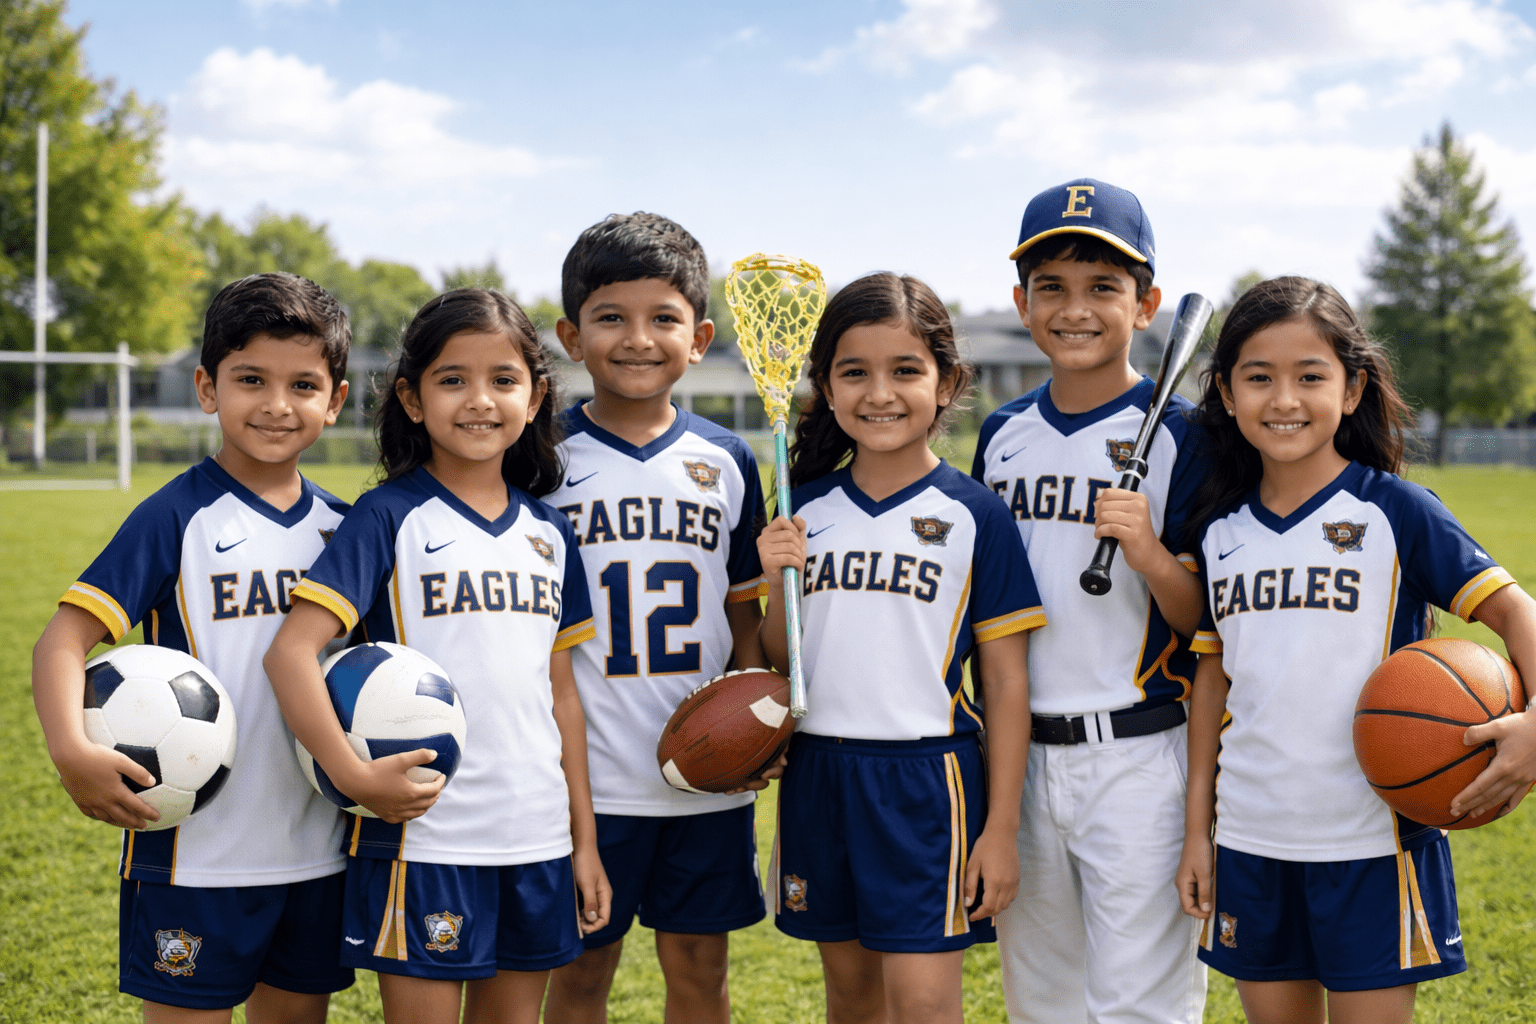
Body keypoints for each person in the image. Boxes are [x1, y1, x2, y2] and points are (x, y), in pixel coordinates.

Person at [1175, 276, 1536, 1024]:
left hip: (1372, 842)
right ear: (1227, 394)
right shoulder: (1218, 531)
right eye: (1259, 378)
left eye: (1310, 376)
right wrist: (1196, 834)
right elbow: (1214, 680)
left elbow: (1515, 612)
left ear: (1352, 390)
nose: (1284, 399)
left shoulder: (1394, 510)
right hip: (1249, 839)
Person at [262, 289, 611, 1024]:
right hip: (423, 840)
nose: (479, 399)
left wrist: (584, 842)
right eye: (453, 379)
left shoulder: (551, 534)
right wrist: (352, 774)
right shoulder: (387, 517)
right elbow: (290, 654)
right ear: (413, 400)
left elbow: (562, 696)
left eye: (503, 379)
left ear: (534, 398)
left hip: (536, 838)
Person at [32, 272, 355, 1023]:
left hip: (318, 848)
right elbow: (62, 641)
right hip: (191, 851)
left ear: (335, 400)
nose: (277, 405)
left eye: (303, 385)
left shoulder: (347, 530)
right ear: (208, 388)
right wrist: (71, 751)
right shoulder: (176, 516)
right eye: (251, 379)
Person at [757, 272, 1040, 1024]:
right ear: (826, 387)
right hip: (820, 773)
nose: (879, 393)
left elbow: (1006, 684)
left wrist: (1001, 830)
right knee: (851, 998)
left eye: (905, 370)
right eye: (855, 372)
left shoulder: (976, 514)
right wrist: (776, 582)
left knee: (922, 1004)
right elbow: (783, 659)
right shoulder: (802, 507)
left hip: (927, 780)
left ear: (945, 383)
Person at [971, 178, 1209, 1024]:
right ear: (1022, 304)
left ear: (1145, 305)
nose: (1075, 309)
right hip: (1019, 756)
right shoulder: (1002, 433)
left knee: (1140, 1007)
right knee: (1042, 1004)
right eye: (1052, 287)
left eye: (1103, 287)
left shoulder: (1184, 433)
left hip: (1138, 755)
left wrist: (1148, 555)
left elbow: (1208, 623)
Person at [542, 213, 768, 1024]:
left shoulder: (727, 460)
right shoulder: (540, 458)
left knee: (702, 971)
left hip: (707, 770)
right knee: (579, 973)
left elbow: (744, 620)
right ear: (572, 336)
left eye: (663, 318)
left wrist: (760, 721)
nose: (638, 339)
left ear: (699, 338)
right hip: (586, 775)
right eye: (611, 317)